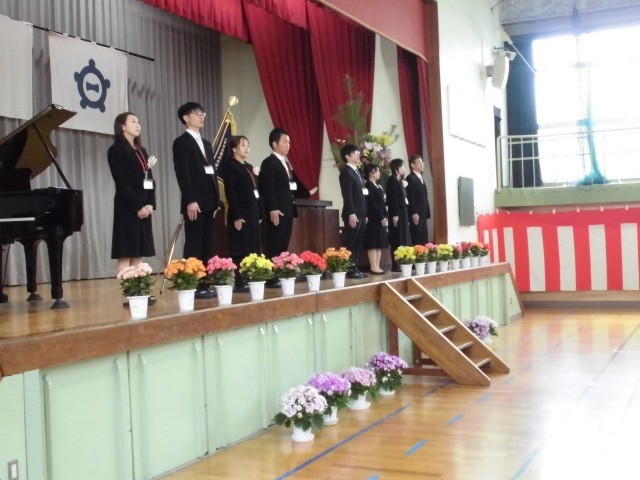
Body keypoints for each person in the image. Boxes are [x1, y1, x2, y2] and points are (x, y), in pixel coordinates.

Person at [172, 102, 221, 299]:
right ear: (186, 118)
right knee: (194, 242)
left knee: (207, 243)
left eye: (203, 114)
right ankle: (191, 283)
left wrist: (216, 200)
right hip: (195, 203)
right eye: (197, 114)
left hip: (209, 202)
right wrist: (190, 200)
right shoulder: (181, 142)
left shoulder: (207, 144)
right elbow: (182, 174)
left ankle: (204, 283)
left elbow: (213, 174)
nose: (202, 117)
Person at [108, 112, 157, 304]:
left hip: (144, 206)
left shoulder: (141, 151)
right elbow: (121, 183)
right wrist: (137, 206)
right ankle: (130, 294)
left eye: (138, 121)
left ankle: (140, 291)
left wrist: (150, 203)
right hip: (127, 207)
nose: (138, 125)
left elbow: (150, 179)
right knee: (125, 251)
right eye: (133, 121)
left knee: (137, 252)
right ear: (122, 126)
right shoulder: (116, 150)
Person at [257, 128, 309, 286]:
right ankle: (270, 277)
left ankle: (280, 273)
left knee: (283, 244)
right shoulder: (269, 162)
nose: (288, 145)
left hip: (288, 209)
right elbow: (268, 188)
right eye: (285, 142)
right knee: (275, 243)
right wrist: (272, 208)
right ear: (274, 144)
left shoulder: (285, 163)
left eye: (289, 142)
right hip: (277, 210)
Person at [223, 135, 263, 292]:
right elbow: (231, 194)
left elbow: (256, 191)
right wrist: (237, 216)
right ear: (234, 149)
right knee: (241, 245)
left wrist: (260, 212)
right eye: (243, 145)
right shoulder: (230, 166)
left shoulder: (248, 166)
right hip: (240, 211)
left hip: (253, 211)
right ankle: (240, 281)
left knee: (253, 245)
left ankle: (252, 277)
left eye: (248, 145)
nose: (247, 148)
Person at [338, 144, 368, 279]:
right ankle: (350, 268)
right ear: (347, 156)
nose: (358, 154)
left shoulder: (357, 171)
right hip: (353, 213)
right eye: (355, 152)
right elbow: (347, 195)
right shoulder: (346, 172)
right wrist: (351, 213)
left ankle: (355, 266)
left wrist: (365, 214)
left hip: (361, 212)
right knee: (352, 242)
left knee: (359, 242)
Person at [362, 163, 388, 274]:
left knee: (379, 244)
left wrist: (385, 216)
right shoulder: (367, 185)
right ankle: (373, 266)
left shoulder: (379, 186)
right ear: (370, 173)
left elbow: (382, 203)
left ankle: (377, 265)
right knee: (373, 243)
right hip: (373, 218)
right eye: (376, 171)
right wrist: (381, 217)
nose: (379, 173)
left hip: (381, 217)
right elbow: (372, 203)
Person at [386, 158, 411, 272]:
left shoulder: (400, 180)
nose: (404, 168)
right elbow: (393, 198)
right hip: (397, 212)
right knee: (397, 237)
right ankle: (396, 264)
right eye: (402, 166)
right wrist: (395, 214)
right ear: (396, 168)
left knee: (404, 237)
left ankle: (404, 261)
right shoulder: (391, 180)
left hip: (403, 212)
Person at [406, 155, 431, 245]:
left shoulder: (420, 177)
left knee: (423, 238)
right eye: (419, 163)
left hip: (423, 212)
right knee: (416, 238)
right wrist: (413, 212)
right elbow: (410, 197)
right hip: (417, 213)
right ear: (412, 165)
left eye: (422, 162)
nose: (422, 164)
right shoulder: (410, 178)